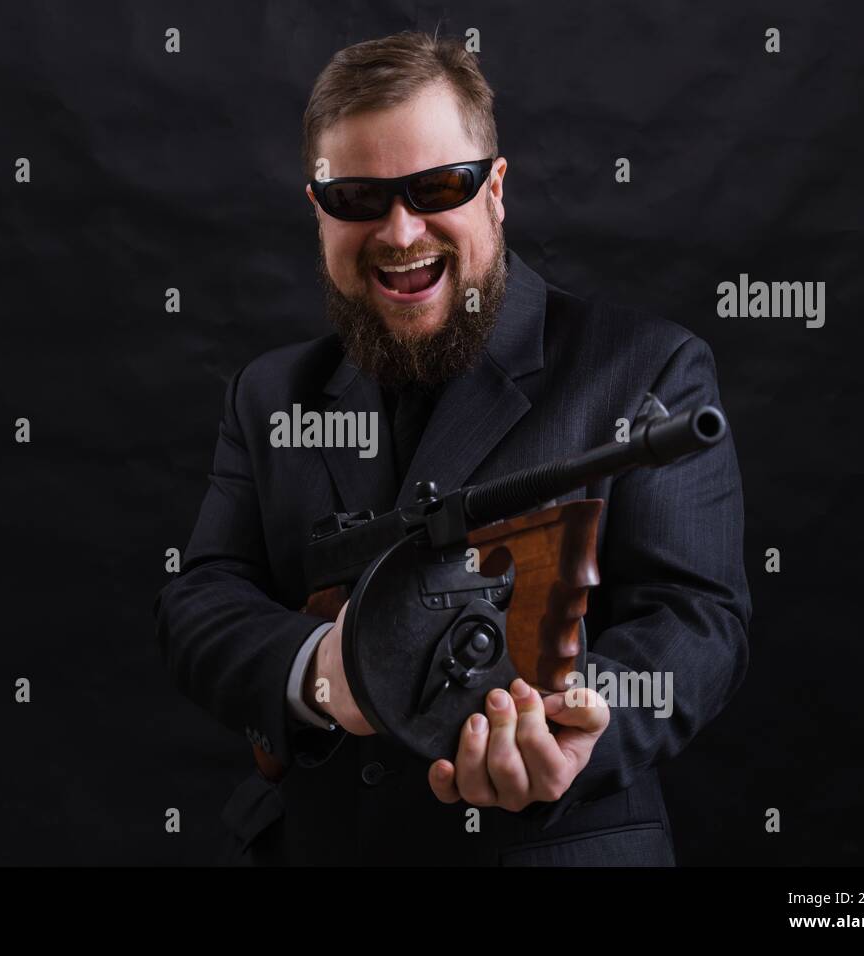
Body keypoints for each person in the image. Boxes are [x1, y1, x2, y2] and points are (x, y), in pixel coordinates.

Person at [154, 31, 751, 865]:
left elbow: (696, 621)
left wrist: (573, 727)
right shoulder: (268, 394)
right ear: (317, 210)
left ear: (495, 190)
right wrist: (324, 671)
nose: (400, 233)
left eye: (438, 187)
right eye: (358, 199)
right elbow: (201, 598)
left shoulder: (646, 370)